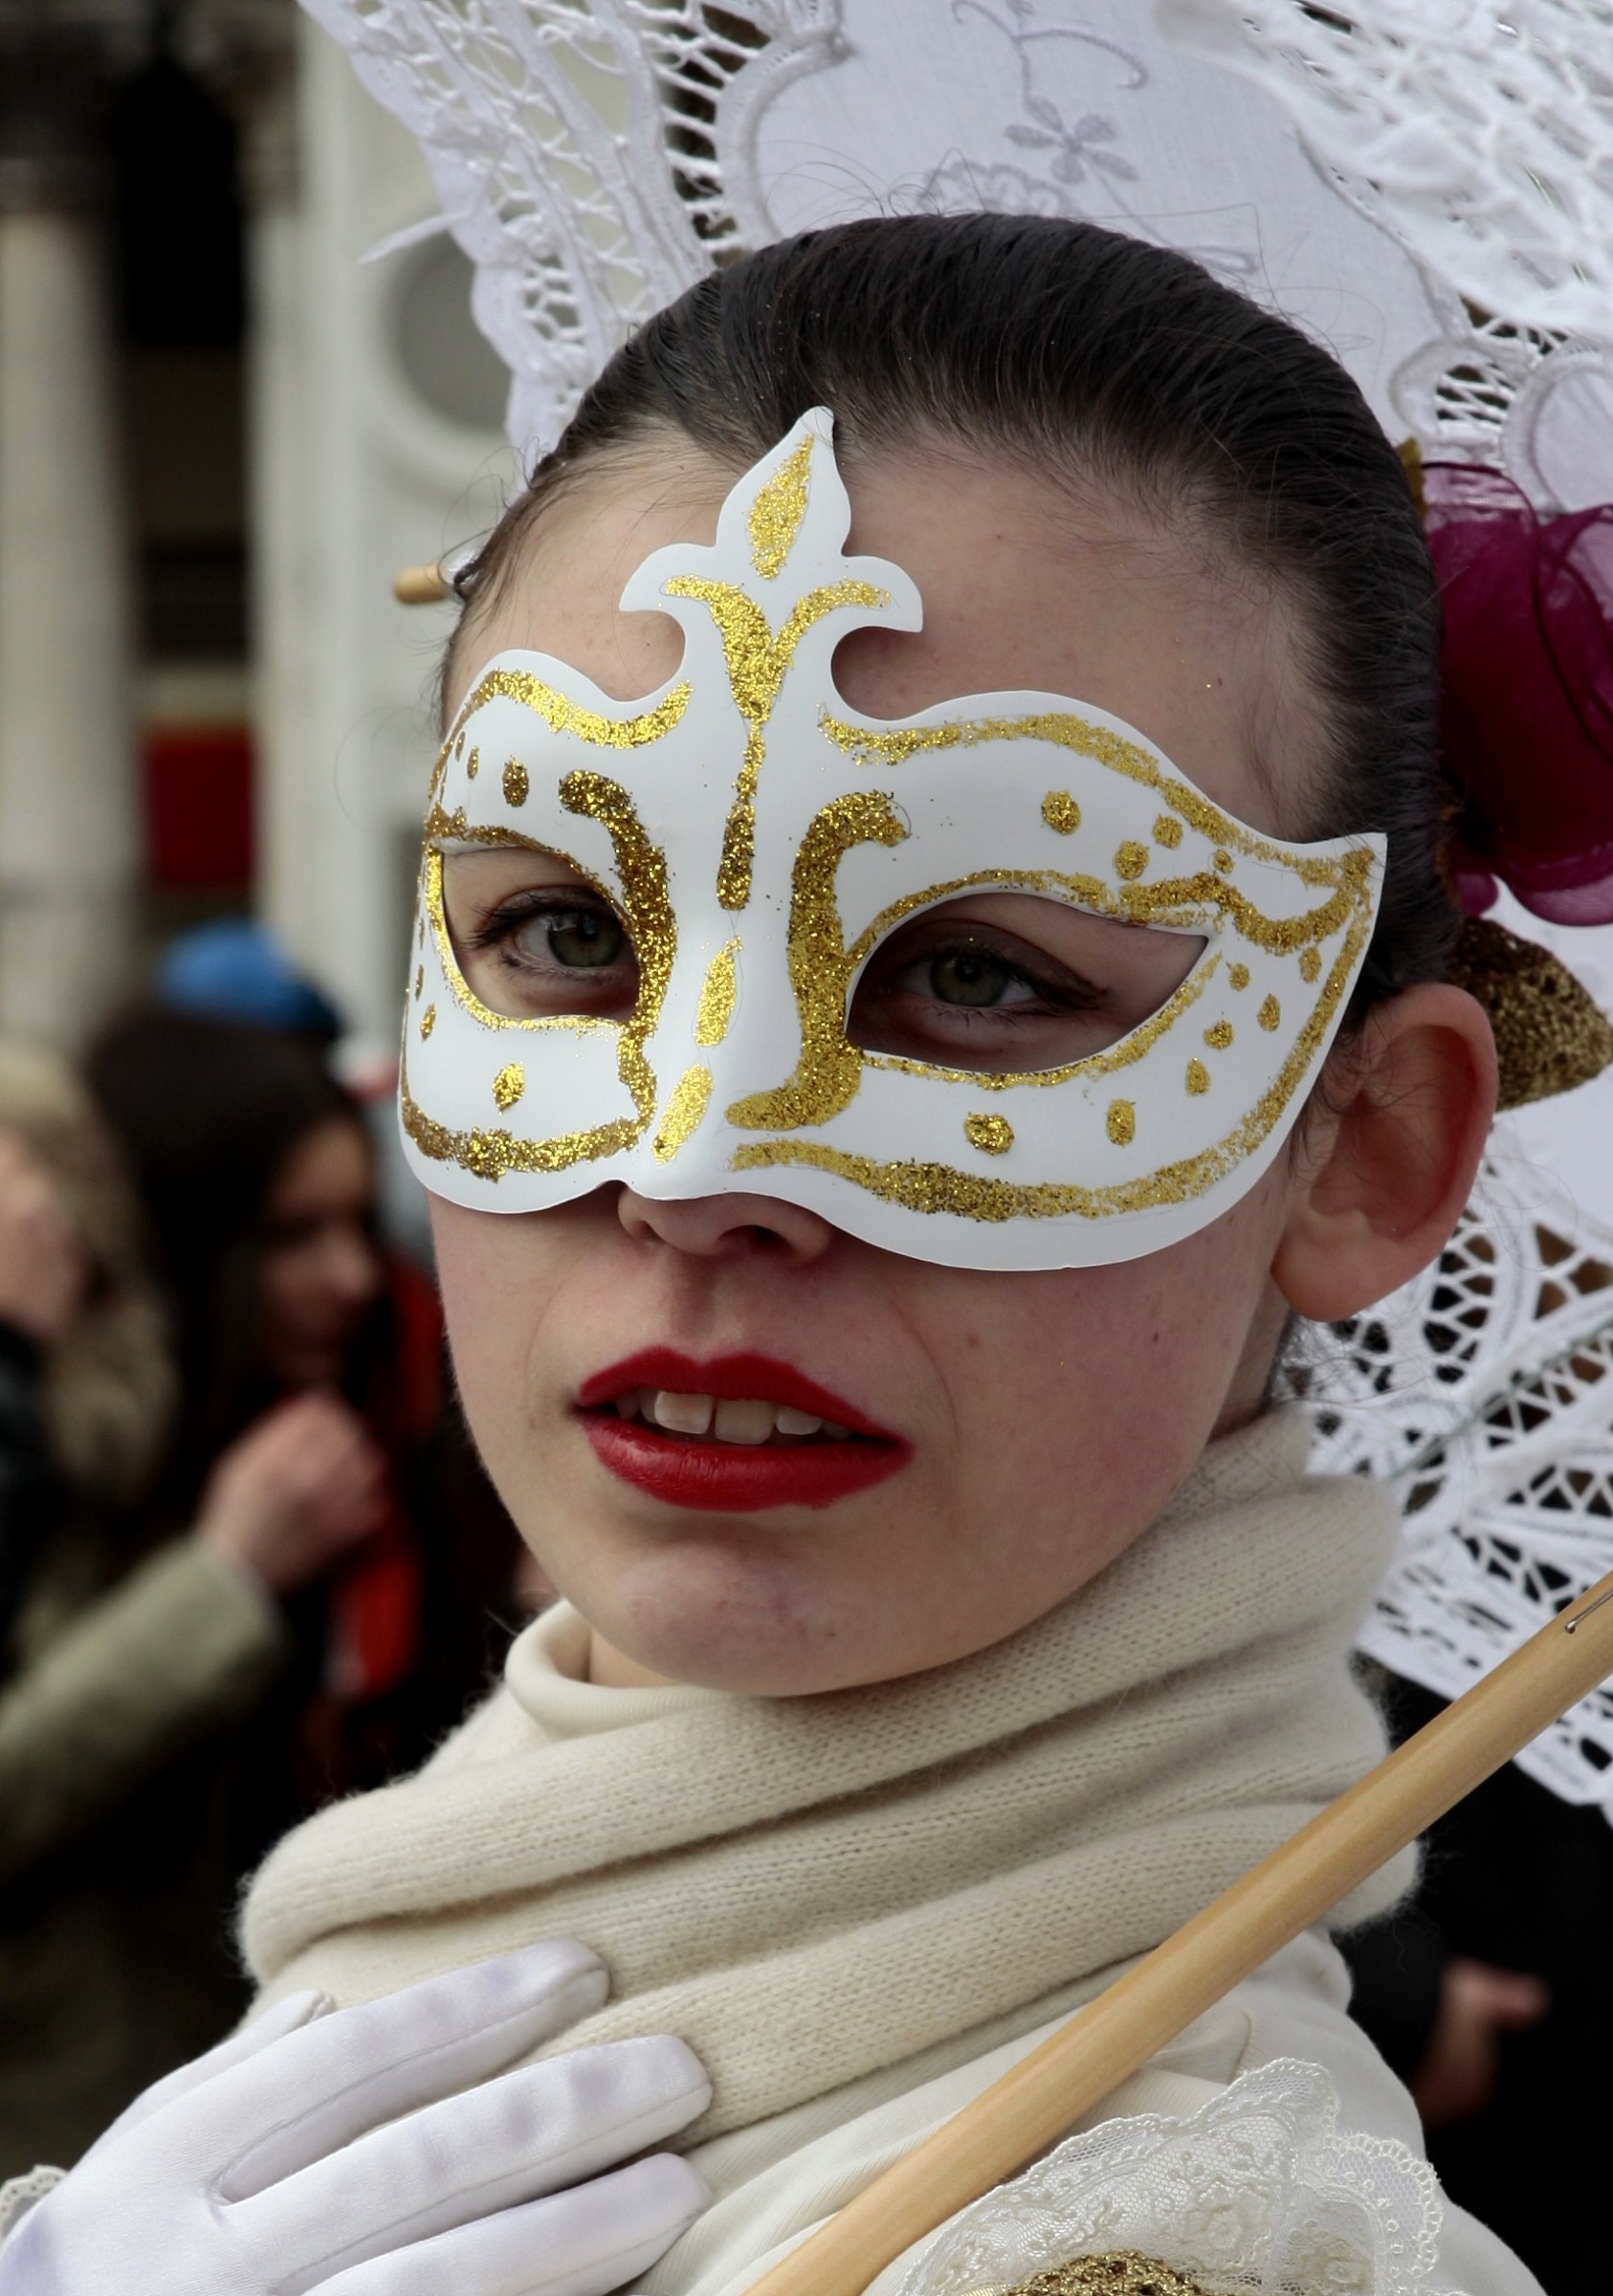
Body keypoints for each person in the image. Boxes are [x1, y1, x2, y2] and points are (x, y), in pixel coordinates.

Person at [0, 214, 1554, 2291]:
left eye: (975, 971)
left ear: (1363, 1146)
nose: (696, 1164)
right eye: (569, 933)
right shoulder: (360, 2033)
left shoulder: (1190, 2244)